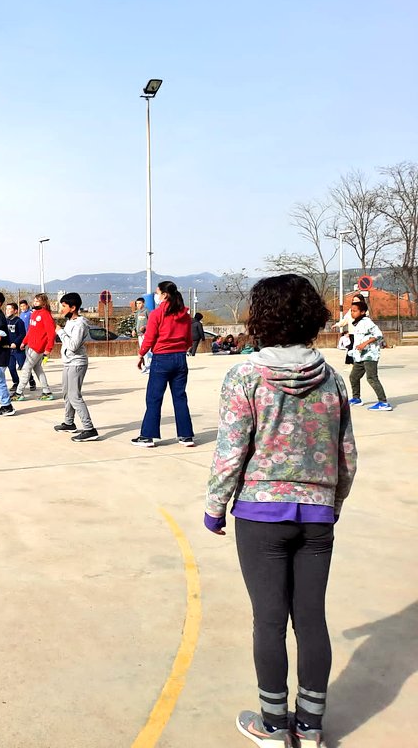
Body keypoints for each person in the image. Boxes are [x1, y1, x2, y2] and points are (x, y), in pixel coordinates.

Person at [203, 274, 356, 748]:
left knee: (269, 621)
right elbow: (346, 454)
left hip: (261, 514)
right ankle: (309, 726)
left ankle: (272, 725)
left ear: (262, 317)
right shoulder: (331, 378)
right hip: (317, 515)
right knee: (311, 619)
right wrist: (332, 502)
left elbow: (231, 449)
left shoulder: (245, 376)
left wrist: (215, 506)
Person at [132, 280, 194, 447]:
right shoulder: (184, 314)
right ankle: (186, 436)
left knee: (154, 398)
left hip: (162, 358)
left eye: (157, 293)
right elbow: (189, 339)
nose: (156, 296)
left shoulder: (157, 314)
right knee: (180, 397)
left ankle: (148, 436)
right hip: (180, 358)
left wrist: (141, 354)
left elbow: (150, 337)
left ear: (165, 295)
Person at [54, 293, 98, 441]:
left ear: (73, 308)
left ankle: (89, 429)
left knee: (74, 396)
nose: (61, 309)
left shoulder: (80, 324)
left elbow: (73, 346)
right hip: (68, 362)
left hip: (77, 363)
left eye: (64, 306)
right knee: (67, 394)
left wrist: (60, 332)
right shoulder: (70, 321)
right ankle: (69, 423)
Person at [347, 298, 392, 410]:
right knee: (353, 377)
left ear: (362, 312)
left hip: (370, 355)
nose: (352, 313)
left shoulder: (367, 322)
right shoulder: (358, 323)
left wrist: (364, 344)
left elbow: (378, 335)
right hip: (360, 356)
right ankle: (356, 398)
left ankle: (383, 402)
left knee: (371, 378)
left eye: (355, 311)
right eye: (351, 311)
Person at [13, 293, 55, 401]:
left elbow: (51, 334)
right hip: (30, 346)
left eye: (37, 301)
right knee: (38, 369)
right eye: (34, 300)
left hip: (38, 347)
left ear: (43, 303)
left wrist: (48, 349)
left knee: (26, 369)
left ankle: (19, 393)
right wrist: (24, 342)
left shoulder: (46, 315)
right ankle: (47, 392)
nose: (34, 302)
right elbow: (31, 330)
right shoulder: (34, 313)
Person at [4, 302, 27, 391]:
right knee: (11, 367)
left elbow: (22, 334)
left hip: (18, 349)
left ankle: (31, 380)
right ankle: (16, 382)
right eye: (6, 309)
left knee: (23, 366)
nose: (7, 311)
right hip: (8, 349)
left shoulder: (19, 321)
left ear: (15, 311)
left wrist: (16, 343)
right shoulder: (5, 321)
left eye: (10, 309)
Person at [17, 299, 36, 390]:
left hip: (29, 338)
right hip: (22, 338)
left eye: (24, 306)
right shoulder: (21, 314)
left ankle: (31, 381)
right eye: (21, 306)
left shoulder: (31, 313)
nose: (22, 307)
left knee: (28, 359)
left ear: (27, 305)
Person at [134, 297, 151, 374]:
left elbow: (151, 322)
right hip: (139, 334)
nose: (138, 305)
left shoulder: (146, 311)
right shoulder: (136, 313)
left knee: (147, 351)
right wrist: (134, 330)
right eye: (137, 303)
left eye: (140, 303)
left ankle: (149, 366)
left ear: (143, 303)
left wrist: (145, 327)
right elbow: (136, 323)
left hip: (145, 334)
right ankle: (145, 366)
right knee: (142, 351)